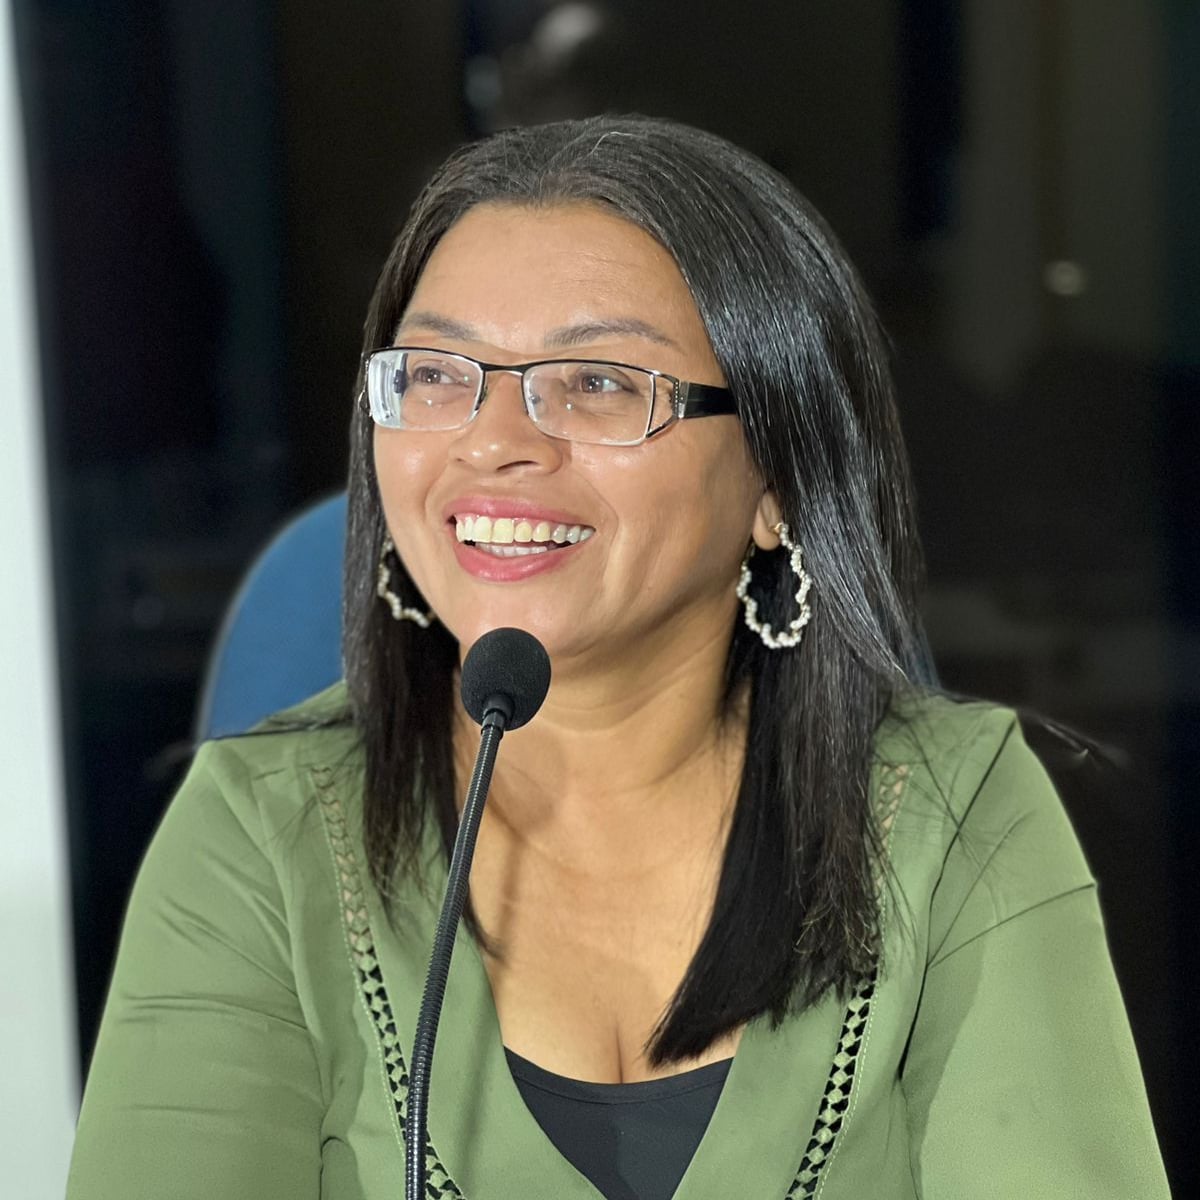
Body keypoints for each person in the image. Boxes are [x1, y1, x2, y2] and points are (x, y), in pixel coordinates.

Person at [66, 115, 1170, 1199]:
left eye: (598, 382)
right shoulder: (257, 837)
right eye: (437, 373)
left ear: (778, 480)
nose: (493, 443)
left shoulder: (956, 813)